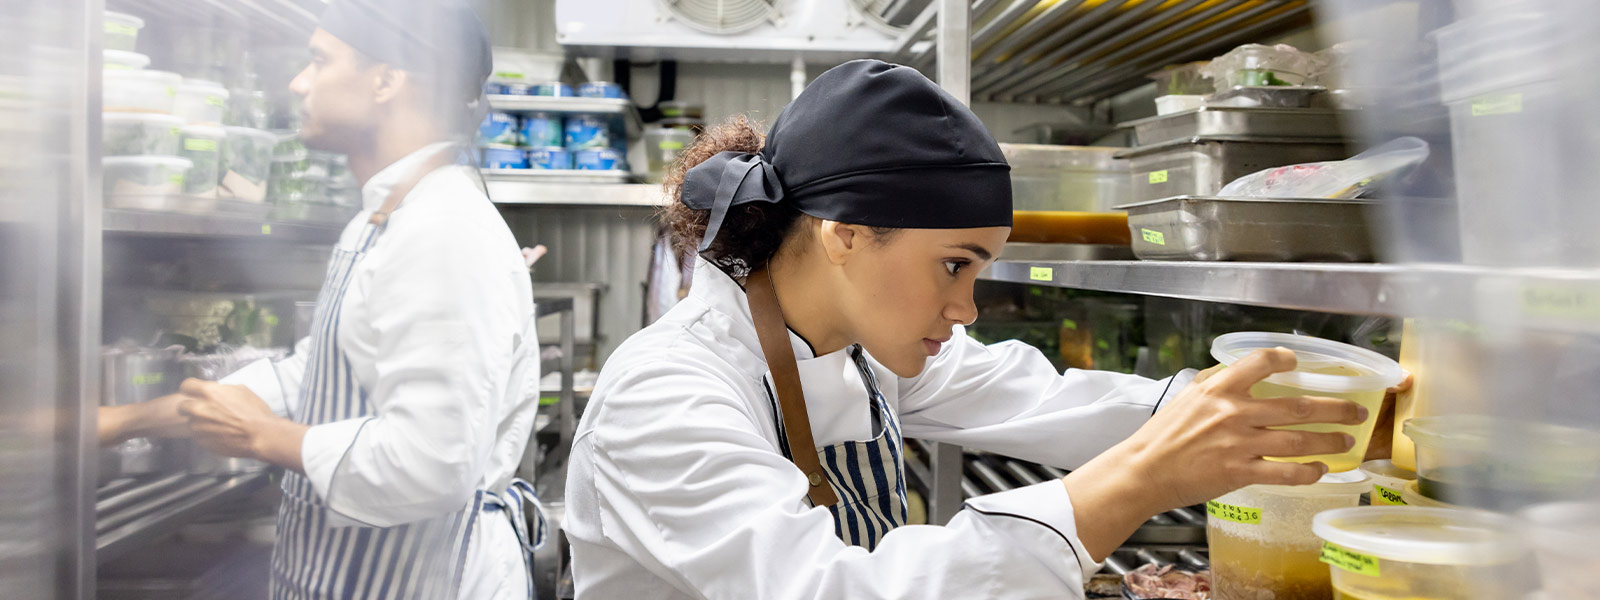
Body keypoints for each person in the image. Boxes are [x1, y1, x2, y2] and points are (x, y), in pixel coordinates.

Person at [563, 60, 1376, 598]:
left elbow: (1045, 399)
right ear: (843, 233)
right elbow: (833, 589)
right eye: (955, 264)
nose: (966, 309)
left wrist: (1299, 416)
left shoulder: (856, 345)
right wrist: (1137, 484)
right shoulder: (667, 394)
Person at [96, 1, 545, 598]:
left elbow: (432, 463)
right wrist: (116, 422)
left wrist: (265, 437)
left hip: (425, 576)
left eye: (318, 61)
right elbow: (314, 375)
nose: (298, 82)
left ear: (386, 80)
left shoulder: (444, 229)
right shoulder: (385, 217)